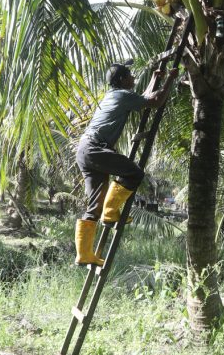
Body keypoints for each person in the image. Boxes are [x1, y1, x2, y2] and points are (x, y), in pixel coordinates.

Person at [74, 60, 178, 266]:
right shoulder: (121, 95)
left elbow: (142, 98)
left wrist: (155, 79)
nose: (133, 78)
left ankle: (84, 254)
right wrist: (169, 82)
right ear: (122, 79)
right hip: (95, 148)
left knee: (95, 205)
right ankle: (111, 212)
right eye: (130, 75)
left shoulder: (116, 95)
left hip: (85, 150)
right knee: (134, 174)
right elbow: (155, 101)